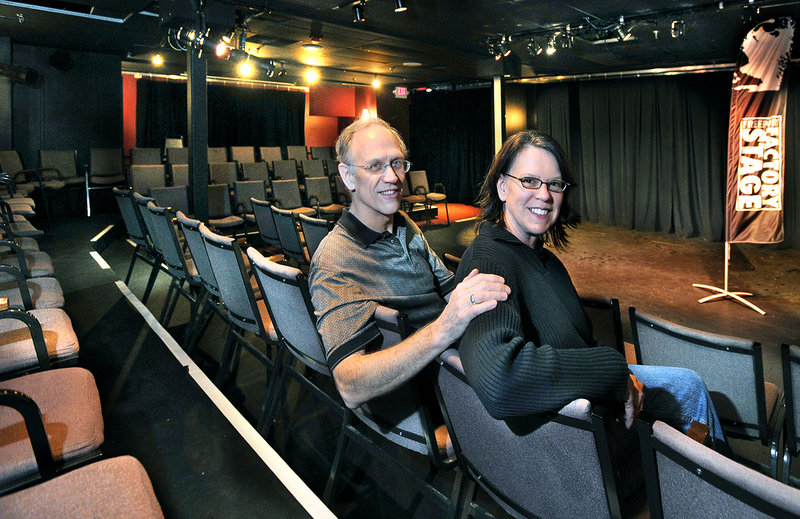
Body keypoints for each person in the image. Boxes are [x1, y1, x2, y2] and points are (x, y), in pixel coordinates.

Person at [455, 129, 728, 450]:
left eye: (554, 184)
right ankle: (724, 493)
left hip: (587, 389)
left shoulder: (547, 261)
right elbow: (501, 381)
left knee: (688, 385)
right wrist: (613, 374)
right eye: (529, 181)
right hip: (572, 429)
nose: (544, 195)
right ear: (502, 187)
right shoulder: (488, 262)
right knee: (690, 390)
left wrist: (615, 372)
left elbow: (581, 341)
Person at [308, 117, 510, 412]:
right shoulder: (335, 260)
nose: (392, 177)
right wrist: (444, 330)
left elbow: (448, 288)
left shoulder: (403, 224)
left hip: (465, 353)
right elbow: (350, 386)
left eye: (397, 163)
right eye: (375, 166)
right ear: (348, 176)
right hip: (442, 389)